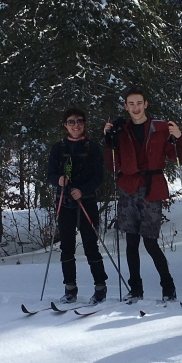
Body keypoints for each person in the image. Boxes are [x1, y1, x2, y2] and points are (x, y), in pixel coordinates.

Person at [103, 87, 182, 303]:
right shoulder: (120, 131)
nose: (135, 107)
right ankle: (136, 290)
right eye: (131, 104)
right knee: (131, 242)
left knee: (150, 242)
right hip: (129, 188)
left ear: (145, 104)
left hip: (152, 188)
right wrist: (108, 141)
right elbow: (112, 166)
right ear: (125, 106)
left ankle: (168, 288)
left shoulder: (159, 127)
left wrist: (178, 137)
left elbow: (177, 157)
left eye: (139, 103)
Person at [47, 107, 108, 304]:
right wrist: (59, 180)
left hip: (86, 203)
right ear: (65, 125)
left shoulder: (93, 147)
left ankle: (100, 287)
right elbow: (50, 174)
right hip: (64, 204)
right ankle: (70, 289)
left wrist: (83, 190)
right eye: (71, 122)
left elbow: (99, 176)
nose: (76, 125)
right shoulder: (58, 148)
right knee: (66, 248)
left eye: (79, 121)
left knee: (91, 246)